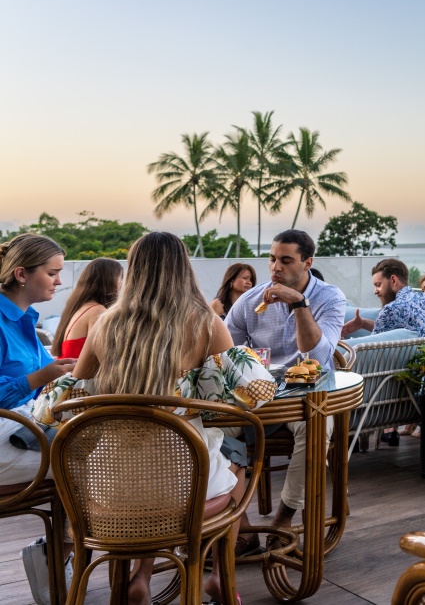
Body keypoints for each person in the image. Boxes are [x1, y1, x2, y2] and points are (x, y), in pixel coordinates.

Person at [34, 231, 275, 605]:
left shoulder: (105, 325)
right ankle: (218, 575)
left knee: (148, 471)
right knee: (236, 463)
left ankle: (139, 578)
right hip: (184, 487)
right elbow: (248, 392)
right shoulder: (205, 323)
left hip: (106, 490)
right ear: (184, 271)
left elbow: (72, 393)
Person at [224, 229, 345, 543]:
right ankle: (242, 526)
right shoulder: (249, 302)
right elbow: (224, 357)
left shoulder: (329, 297)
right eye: (272, 259)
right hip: (257, 399)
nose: (275, 267)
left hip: (307, 399)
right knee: (211, 429)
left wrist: (299, 304)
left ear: (307, 263)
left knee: (318, 427)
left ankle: (284, 517)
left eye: (286, 260)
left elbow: (318, 355)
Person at [2, 234, 77, 605]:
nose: (59, 281)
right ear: (21, 274)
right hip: (6, 436)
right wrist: (42, 378)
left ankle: (58, 552)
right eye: (53, 273)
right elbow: (26, 385)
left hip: (21, 428)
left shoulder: (25, 320)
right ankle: (57, 551)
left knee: (94, 447)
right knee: (89, 459)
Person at [342, 258, 425, 337]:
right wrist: (363, 323)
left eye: (378, 285)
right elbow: (393, 330)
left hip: (405, 364)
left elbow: (371, 350)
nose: (375, 291)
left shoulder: (392, 309)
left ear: (393, 280)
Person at [50, 257, 122, 359]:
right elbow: (104, 358)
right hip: (76, 374)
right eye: (120, 279)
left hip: (67, 372)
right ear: (109, 281)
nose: (121, 285)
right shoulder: (97, 311)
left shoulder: (79, 307)